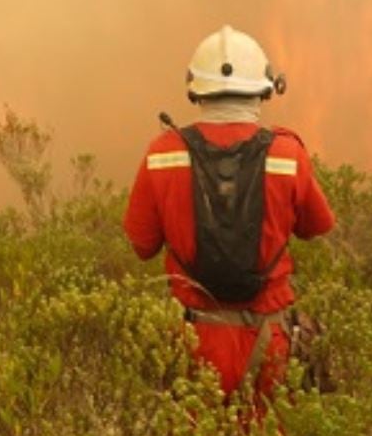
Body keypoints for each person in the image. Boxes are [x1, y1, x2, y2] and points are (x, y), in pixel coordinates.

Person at [123, 26, 334, 401]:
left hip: (190, 343)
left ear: (196, 90)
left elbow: (141, 244)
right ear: (265, 88)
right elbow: (318, 225)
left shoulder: (162, 153)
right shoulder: (287, 154)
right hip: (269, 342)